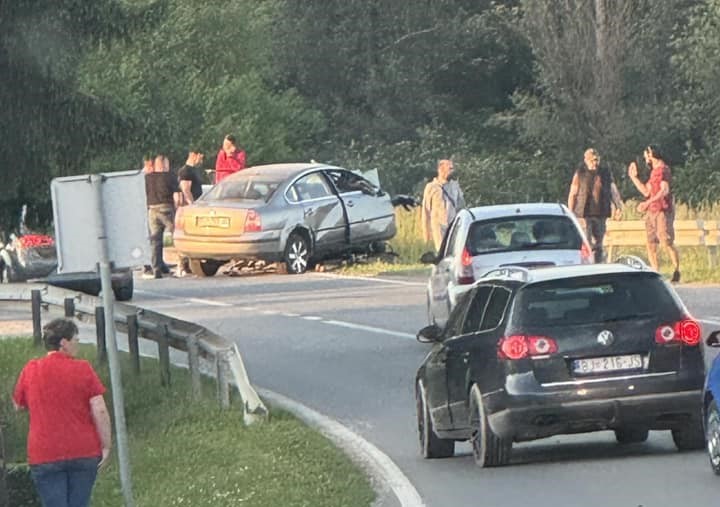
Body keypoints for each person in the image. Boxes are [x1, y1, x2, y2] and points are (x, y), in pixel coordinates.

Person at [12, 318, 112, 507]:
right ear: (63, 343)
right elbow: (99, 408)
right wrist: (106, 445)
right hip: (83, 451)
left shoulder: (31, 370)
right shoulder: (83, 369)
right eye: (75, 339)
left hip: (44, 453)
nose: (78, 343)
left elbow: (18, 405)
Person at [628, 145, 681, 282]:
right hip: (651, 211)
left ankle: (676, 270)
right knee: (651, 243)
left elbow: (664, 191)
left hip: (662, 210)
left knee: (666, 242)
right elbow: (646, 191)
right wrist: (634, 178)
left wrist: (647, 202)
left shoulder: (664, 170)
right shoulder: (653, 172)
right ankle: (656, 274)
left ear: (651, 154)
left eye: (646, 154)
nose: (645, 158)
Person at [567, 148, 624, 262]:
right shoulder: (580, 173)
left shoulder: (605, 173)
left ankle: (598, 264)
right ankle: (587, 264)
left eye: (596, 160)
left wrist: (618, 206)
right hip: (584, 213)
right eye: (592, 160)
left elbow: (613, 190)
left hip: (601, 212)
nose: (595, 163)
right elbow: (573, 193)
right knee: (586, 242)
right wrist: (570, 212)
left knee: (599, 243)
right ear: (586, 160)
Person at [421, 159, 465, 251]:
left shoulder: (455, 186)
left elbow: (461, 206)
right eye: (450, 168)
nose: (452, 171)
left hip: (453, 224)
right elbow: (426, 211)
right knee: (442, 251)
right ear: (441, 169)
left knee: (455, 250)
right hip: (438, 226)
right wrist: (426, 234)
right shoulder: (431, 187)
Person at [145, 154, 177, 279]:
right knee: (177, 236)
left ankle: (156, 269)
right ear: (164, 165)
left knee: (155, 240)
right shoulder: (169, 176)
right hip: (166, 208)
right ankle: (183, 265)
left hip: (152, 209)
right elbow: (177, 195)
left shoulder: (147, 178)